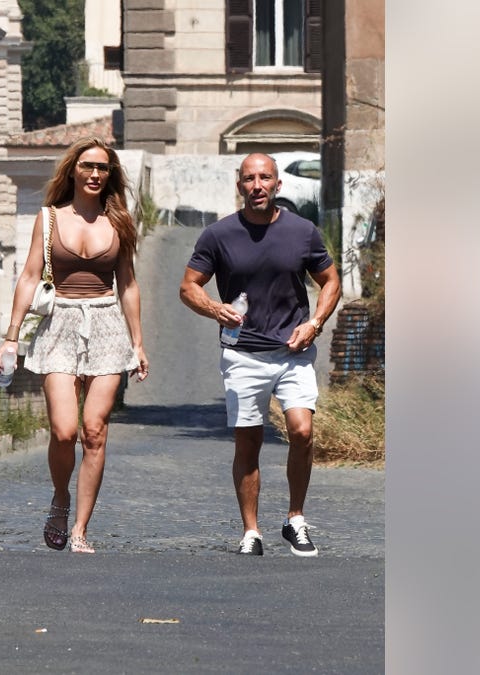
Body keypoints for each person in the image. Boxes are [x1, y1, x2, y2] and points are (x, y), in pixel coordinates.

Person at [179, 153, 341, 557]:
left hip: (292, 351)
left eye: (264, 178)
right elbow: (188, 287)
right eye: (249, 179)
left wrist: (315, 323)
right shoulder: (218, 236)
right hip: (243, 355)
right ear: (240, 186)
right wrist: (216, 309)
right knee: (248, 442)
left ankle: (295, 519)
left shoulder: (302, 232)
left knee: (302, 431)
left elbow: (331, 280)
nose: (257, 185)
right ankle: (251, 531)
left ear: (277, 185)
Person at [0, 137, 149, 554]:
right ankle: (60, 498)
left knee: (94, 431)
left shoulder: (118, 220)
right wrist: (11, 337)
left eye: (103, 168)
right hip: (59, 322)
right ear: (73, 170)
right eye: (88, 166)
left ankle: (80, 528)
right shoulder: (47, 219)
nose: (96, 174)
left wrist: (138, 343)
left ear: (109, 174)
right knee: (65, 431)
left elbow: (128, 284)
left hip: (106, 325)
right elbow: (29, 276)